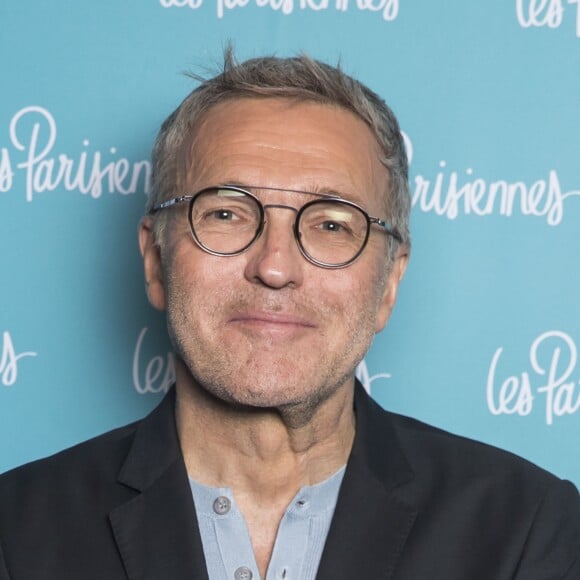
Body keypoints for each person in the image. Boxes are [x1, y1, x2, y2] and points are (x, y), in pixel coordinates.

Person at [0, 51, 578, 580]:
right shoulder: (15, 531)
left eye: (331, 224)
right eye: (226, 214)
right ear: (155, 259)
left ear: (389, 282)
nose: (275, 267)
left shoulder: (527, 529)